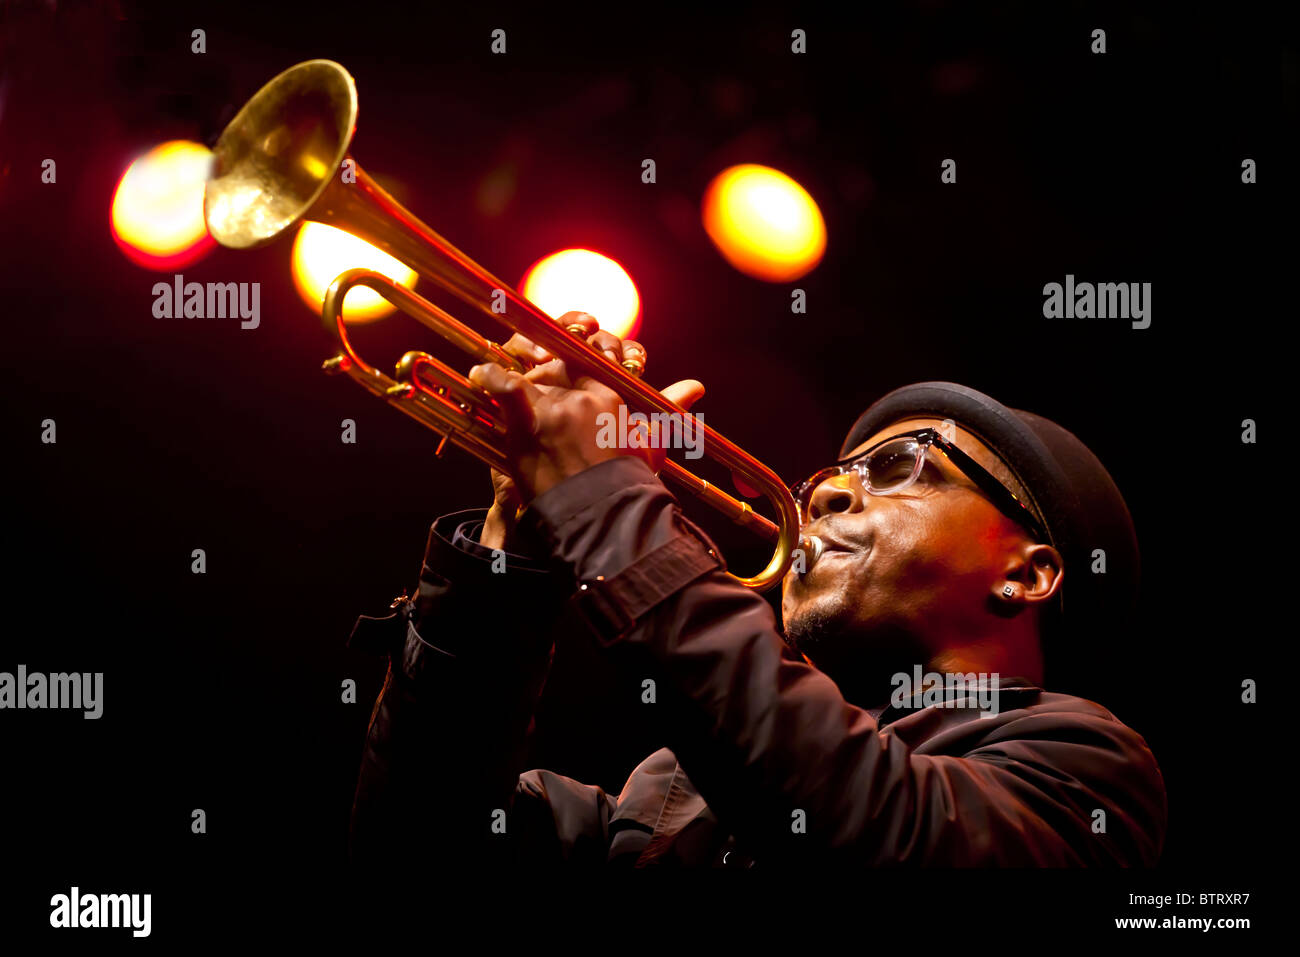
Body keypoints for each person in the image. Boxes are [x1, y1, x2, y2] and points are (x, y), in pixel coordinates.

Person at [347, 313, 1166, 868]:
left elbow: (867, 824)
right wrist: (512, 556)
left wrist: (604, 502)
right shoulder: (667, 792)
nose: (825, 496)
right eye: (832, 476)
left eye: (898, 466)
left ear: (1027, 571)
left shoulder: (1089, 770)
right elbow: (416, 845)